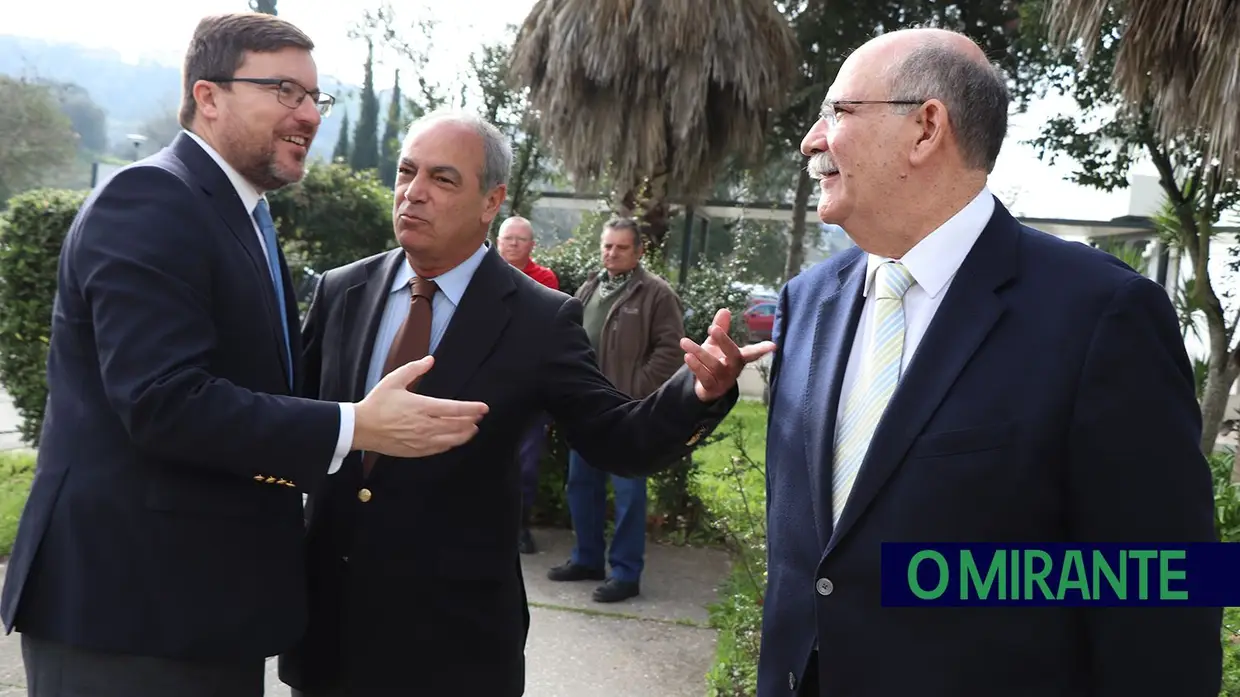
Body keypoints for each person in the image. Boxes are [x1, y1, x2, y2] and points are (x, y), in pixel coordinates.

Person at [0, 14, 487, 697]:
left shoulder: (242, 216)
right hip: (131, 616)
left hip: (202, 611)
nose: (310, 114)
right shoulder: (150, 200)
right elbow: (164, 402)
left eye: (318, 97)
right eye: (286, 90)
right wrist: (355, 426)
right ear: (209, 96)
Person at [760, 27, 1221, 697]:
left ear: (925, 128)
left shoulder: (1103, 316)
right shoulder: (807, 301)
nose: (812, 139)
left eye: (837, 111)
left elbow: (1169, 585)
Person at [278, 110, 773, 697]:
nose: (413, 192)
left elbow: (616, 434)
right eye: (407, 172)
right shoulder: (343, 290)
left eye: (443, 179)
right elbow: (291, 420)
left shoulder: (539, 317)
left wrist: (698, 392)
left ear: (492, 202)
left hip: (454, 642)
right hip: (331, 628)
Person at [547, 217, 685, 602]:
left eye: (621, 247)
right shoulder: (590, 287)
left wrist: (634, 391)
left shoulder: (656, 294)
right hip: (586, 409)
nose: (611, 253)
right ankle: (587, 559)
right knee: (581, 487)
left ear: (639, 251)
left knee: (628, 495)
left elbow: (671, 351)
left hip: (629, 414)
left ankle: (625, 573)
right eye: (607, 246)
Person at [496, 215, 558, 553]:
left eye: (521, 239)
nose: (514, 244)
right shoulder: (480, 274)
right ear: (499, 241)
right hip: (485, 382)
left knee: (527, 462)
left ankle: (520, 526)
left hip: (529, 387)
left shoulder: (544, 280)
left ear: (532, 245)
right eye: (509, 239)